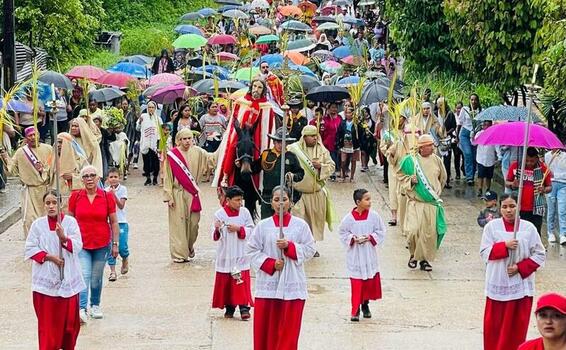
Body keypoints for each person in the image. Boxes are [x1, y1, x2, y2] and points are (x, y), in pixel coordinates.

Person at [246, 186, 316, 350]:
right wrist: (270, 263)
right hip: (268, 286)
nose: (281, 203)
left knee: (288, 332)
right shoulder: (263, 226)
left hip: (292, 285)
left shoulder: (301, 226)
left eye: (284, 199)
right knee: (266, 331)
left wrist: (290, 247)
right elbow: (250, 250)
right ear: (271, 203)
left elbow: (310, 249)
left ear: (291, 202)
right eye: (277, 200)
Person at [480, 193, 546, 350]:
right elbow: (484, 252)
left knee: (515, 330)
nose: (508, 210)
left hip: (520, 287)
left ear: (519, 207)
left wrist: (520, 268)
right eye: (504, 207)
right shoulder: (491, 227)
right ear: (500, 208)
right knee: (494, 329)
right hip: (498, 283)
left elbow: (540, 254)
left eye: (512, 206)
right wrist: (504, 246)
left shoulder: (528, 228)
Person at [24, 190, 85, 350]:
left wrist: (63, 238)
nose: (51, 206)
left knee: (69, 326)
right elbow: (30, 249)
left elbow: (78, 246)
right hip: (45, 283)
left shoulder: (70, 223)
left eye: (54, 202)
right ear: (44, 205)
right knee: (48, 326)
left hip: (68, 280)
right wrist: (51, 258)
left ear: (60, 204)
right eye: (48, 203)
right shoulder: (38, 225)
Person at [68, 165, 120, 324]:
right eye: (86, 176)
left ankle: (95, 304)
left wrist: (115, 244)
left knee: (96, 278)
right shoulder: (75, 197)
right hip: (81, 244)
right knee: (84, 274)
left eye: (92, 175)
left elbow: (114, 221)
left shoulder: (107, 196)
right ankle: (81, 308)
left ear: (98, 178)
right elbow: (69, 221)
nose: (89, 179)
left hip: (101, 243)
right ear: (82, 179)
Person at [163, 129, 216, 262]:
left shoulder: (198, 152)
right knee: (178, 225)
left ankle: (189, 245)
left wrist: (225, 146)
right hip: (177, 193)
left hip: (192, 193)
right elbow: (168, 177)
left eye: (189, 138)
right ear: (179, 140)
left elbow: (212, 159)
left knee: (194, 224)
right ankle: (179, 254)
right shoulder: (172, 156)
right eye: (184, 139)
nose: (187, 141)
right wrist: (169, 196)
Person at [399, 134, 447, 272]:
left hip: (431, 203)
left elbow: (442, 178)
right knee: (413, 231)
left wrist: (435, 193)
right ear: (422, 147)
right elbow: (400, 178)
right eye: (430, 145)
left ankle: (424, 260)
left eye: (433, 144)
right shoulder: (410, 161)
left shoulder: (437, 160)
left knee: (429, 234)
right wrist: (410, 181)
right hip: (416, 202)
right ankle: (413, 255)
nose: (433, 147)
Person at [216, 78, 275, 187]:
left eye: (259, 87)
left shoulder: (267, 107)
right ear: (251, 87)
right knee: (232, 146)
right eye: (254, 86)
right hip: (241, 133)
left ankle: (259, 182)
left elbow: (269, 126)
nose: (256, 90)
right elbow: (236, 118)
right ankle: (226, 176)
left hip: (256, 135)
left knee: (258, 151)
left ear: (263, 90)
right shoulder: (241, 102)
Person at [338, 189, 386, 322]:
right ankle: (355, 309)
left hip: (368, 253)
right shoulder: (348, 218)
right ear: (358, 202)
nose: (370, 202)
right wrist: (353, 239)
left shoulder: (374, 216)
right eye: (367, 199)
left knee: (367, 282)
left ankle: (365, 304)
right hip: (356, 254)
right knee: (357, 282)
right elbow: (342, 233)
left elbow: (381, 231)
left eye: (370, 199)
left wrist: (370, 237)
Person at [211, 186, 254, 320]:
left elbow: (252, 230)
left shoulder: (245, 212)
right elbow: (214, 235)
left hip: (241, 252)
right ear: (227, 200)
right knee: (228, 282)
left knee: (241, 280)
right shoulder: (219, 214)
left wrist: (239, 229)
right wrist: (217, 229)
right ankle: (229, 307)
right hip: (226, 253)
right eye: (236, 200)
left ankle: (244, 308)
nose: (240, 203)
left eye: (241, 200)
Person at [289, 125, 335, 249]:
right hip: (299, 194)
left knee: (314, 223)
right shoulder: (293, 150)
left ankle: (311, 247)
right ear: (304, 137)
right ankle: (299, 247)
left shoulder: (322, 150)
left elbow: (332, 166)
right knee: (299, 222)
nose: (315, 138)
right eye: (311, 136)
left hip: (316, 193)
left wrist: (321, 166)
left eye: (316, 135)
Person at [1, 126, 52, 236]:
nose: (33, 137)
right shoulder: (21, 152)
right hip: (29, 191)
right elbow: (11, 171)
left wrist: (44, 170)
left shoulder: (48, 149)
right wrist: (5, 157)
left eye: (35, 134)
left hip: (46, 190)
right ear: (26, 137)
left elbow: (54, 168)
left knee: (47, 218)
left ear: (39, 135)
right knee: (29, 219)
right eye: (30, 135)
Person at [252, 127, 305, 219]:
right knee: (266, 222)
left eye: (284, 142)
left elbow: (300, 173)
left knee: (283, 222)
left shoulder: (291, 156)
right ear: (274, 142)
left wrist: (293, 176)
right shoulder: (266, 155)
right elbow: (254, 169)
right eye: (279, 142)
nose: (281, 145)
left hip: (284, 195)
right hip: (268, 195)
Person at [505, 147, 552, 234]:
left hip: (536, 208)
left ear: (537, 159)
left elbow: (549, 187)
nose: (529, 163)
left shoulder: (543, 169)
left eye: (532, 161)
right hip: (519, 207)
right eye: (526, 160)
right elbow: (507, 182)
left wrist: (544, 189)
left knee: (535, 233)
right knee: (520, 232)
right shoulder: (515, 166)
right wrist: (512, 184)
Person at [105, 168, 129, 282]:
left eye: (115, 177)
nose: (113, 179)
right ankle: (112, 271)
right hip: (109, 223)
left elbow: (121, 206)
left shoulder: (123, 189)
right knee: (110, 248)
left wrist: (113, 195)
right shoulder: (105, 191)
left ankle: (125, 258)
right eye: (111, 177)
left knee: (122, 247)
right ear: (107, 179)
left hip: (121, 222)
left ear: (119, 177)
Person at [137, 101, 162, 186]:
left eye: (152, 107)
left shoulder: (158, 118)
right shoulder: (143, 116)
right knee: (146, 161)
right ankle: (148, 178)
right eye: (149, 107)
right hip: (145, 142)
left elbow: (161, 130)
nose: (151, 109)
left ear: (155, 108)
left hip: (155, 143)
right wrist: (140, 122)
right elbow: (137, 128)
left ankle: (155, 178)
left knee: (155, 161)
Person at [459, 93, 481, 186]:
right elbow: (460, 123)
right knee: (468, 154)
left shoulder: (481, 110)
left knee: (474, 155)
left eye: (475, 99)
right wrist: (457, 136)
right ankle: (469, 177)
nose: (473, 101)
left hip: (475, 134)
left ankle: (473, 173)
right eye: (471, 99)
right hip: (465, 134)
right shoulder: (465, 109)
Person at [435, 97, 457, 189]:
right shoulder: (435, 114)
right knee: (436, 160)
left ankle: (446, 181)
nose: (439, 106)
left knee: (447, 161)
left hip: (447, 140)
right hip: (436, 139)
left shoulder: (450, 114)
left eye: (441, 104)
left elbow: (454, 126)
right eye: (438, 104)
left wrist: (446, 133)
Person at [544, 149, 566, 245]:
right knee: (551, 210)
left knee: (562, 210)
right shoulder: (547, 155)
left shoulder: (564, 155)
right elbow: (547, 170)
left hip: (563, 184)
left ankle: (563, 234)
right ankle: (550, 232)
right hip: (551, 183)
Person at [336, 107, 360, 182]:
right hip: (344, 145)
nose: (348, 114)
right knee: (343, 161)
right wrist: (339, 144)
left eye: (349, 113)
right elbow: (339, 133)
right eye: (346, 113)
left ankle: (352, 177)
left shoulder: (357, 123)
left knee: (353, 161)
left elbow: (360, 134)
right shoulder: (342, 122)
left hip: (354, 145)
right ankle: (343, 175)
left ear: (353, 114)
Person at [474, 120, 498, 197]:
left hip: (490, 159)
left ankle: (488, 189)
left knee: (489, 176)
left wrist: (499, 156)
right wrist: (472, 137)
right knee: (480, 175)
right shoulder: (479, 134)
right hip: (481, 158)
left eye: (488, 125)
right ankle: (480, 189)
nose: (486, 127)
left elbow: (496, 146)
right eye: (485, 125)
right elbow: (474, 143)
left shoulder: (494, 135)